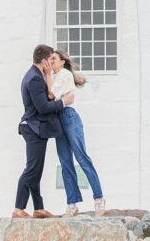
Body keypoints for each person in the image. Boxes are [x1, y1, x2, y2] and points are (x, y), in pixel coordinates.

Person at [13, 44, 74, 219]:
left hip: (36, 128)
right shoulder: (34, 78)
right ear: (44, 60)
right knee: (32, 169)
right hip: (34, 128)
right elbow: (43, 107)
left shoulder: (37, 75)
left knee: (36, 170)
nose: (52, 62)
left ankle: (39, 208)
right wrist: (64, 102)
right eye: (51, 59)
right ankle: (18, 209)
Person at [46, 49, 105, 217]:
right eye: (49, 59)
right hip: (57, 119)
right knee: (65, 163)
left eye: (54, 59)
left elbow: (50, 95)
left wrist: (48, 78)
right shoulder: (52, 77)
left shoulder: (63, 74)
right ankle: (72, 204)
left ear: (62, 61)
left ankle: (99, 199)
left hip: (69, 117)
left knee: (82, 158)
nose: (51, 61)